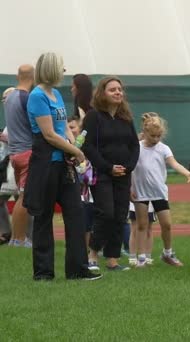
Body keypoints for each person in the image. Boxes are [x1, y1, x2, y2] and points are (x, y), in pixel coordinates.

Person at [23, 52, 101, 281]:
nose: (64, 71)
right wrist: (75, 151)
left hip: (64, 162)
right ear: (51, 69)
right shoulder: (37, 96)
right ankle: (43, 272)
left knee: (75, 214)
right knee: (44, 217)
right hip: (47, 163)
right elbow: (48, 134)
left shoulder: (55, 94)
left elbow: (63, 127)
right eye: (61, 67)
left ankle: (78, 269)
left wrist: (72, 143)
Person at [82, 76, 140, 271]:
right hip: (102, 173)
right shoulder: (94, 116)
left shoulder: (126, 118)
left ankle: (113, 259)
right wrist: (108, 167)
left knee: (120, 215)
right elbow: (88, 146)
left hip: (124, 175)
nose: (118, 92)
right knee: (106, 213)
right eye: (112, 89)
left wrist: (128, 167)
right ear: (102, 93)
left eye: (120, 89)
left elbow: (134, 145)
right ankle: (92, 254)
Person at [131, 112, 190, 267]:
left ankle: (167, 253)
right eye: (153, 136)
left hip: (159, 193)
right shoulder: (137, 148)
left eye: (159, 136)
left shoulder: (163, 149)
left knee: (166, 224)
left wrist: (187, 173)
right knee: (142, 225)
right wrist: (129, 188)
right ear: (145, 132)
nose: (156, 139)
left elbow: (174, 163)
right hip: (140, 193)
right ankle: (141, 258)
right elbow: (130, 168)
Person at [4, 65, 35, 247]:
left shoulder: (9, 98)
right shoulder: (27, 98)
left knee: (20, 196)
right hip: (27, 152)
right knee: (24, 197)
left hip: (15, 153)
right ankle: (19, 239)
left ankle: (17, 237)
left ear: (17, 76)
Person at [68, 115, 94, 250]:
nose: (70, 131)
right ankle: (78, 250)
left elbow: (88, 176)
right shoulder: (65, 146)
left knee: (88, 224)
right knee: (78, 224)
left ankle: (88, 250)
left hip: (87, 193)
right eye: (68, 128)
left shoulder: (87, 147)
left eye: (72, 127)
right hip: (72, 192)